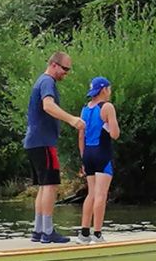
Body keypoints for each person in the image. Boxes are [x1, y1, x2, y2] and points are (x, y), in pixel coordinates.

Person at [23, 51, 84, 245]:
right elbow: (48, 106)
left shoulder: (41, 81)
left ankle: (38, 230)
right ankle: (48, 231)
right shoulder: (47, 82)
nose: (66, 73)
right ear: (54, 65)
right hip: (43, 141)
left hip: (33, 142)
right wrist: (72, 119)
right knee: (50, 186)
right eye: (65, 69)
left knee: (44, 187)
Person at [77, 76, 119, 244]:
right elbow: (115, 135)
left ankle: (84, 233)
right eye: (109, 89)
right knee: (101, 194)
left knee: (91, 193)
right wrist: (108, 126)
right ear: (104, 90)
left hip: (87, 153)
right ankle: (98, 234)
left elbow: (81, 136)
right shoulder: (107, 107)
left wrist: (83, 157)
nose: (110, 92)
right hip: (102, 153)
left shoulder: (84, 110)